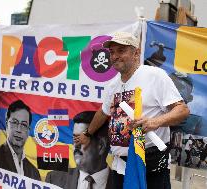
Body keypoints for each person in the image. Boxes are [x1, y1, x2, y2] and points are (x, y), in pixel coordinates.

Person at [75, 31, 190, 189]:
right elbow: (103, 113)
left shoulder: (154, 76)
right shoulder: (113, 85)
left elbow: (182, 110)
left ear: (136, 53)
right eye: (112, 52)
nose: (115, 56)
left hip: (150, 165)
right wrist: (88, 134)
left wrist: (155, 122)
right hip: (120, 166)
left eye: (121, 51)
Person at [46, 111, 114, 189]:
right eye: (75, 139)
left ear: (101, 146)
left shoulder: (125, 183)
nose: (76, 145)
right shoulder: (53, 180)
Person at [0, 100, 41, 180]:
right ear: (6, 124)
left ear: (28, 131)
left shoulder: (34, 172)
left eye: (23, 125)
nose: (19, 129)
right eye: (14, 123)